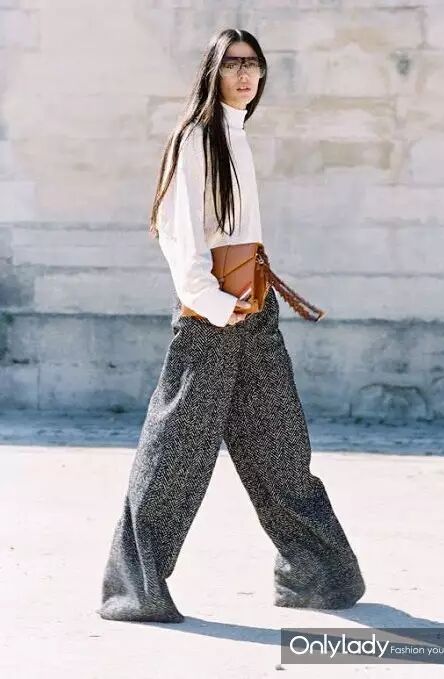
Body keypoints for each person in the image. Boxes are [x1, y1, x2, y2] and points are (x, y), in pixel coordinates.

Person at [96, 28, 365, 623]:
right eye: (232, 64)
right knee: (176, 454)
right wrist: (213, 302)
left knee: (280, 442)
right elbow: (179, 232)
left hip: (253, 306)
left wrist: (248, 301)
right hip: (211, 313)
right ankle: (133, 591)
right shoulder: (195, 137)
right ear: (212, 72)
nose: (245, 74)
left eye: (253, 65)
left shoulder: (237, 133)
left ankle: (315, 575)